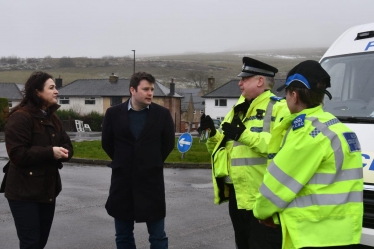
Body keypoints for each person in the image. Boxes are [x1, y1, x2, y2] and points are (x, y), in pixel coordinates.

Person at [253, 60, 363, 249]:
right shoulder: (339, 128)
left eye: (286, 93)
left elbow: (278, 184)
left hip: (313, 235)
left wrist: (261, 212)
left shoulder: (308, 133)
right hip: (344, 234)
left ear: (294, 96)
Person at [199, 57, 289, 249]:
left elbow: (281, 148)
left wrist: (244, 135)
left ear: (260, 81)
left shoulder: (280, 108)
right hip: (237, 196)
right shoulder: (238, 109)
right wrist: (212, 134)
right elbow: (223, 149)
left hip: (262, 197)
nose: (239, 83)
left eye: (244, 78)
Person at [102, 71, 175, 249]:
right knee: (123, 236)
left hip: (152, 183)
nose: (150, 93)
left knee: (158, 237)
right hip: (122, 183)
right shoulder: (113, 114)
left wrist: (151, 161)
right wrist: (125, 161)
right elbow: (107, 144)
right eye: (145, 89)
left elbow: (168, 144)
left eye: (152, 89)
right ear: (132, 90)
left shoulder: (162, 115)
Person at [2, 71, 73, 249]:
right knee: (31, 243)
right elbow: (18, 154)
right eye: (51, 88)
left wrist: (64, 153)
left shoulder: (53, 118)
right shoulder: (20, 118)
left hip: (46, 191)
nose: (56, 91)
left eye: (55, 87)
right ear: (37, 92)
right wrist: (51, 152)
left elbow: (67, 146)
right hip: (23, 193)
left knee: (40, 242)